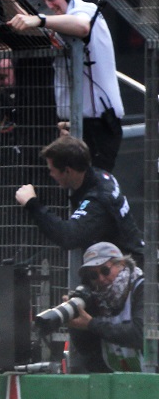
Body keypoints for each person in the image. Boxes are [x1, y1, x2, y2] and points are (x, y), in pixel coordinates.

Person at [7, 0, 125, 171]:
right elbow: (27, 26)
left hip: (98, 123)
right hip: (71, 124)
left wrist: (40, 19)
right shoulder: (57, 23)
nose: (50, 5)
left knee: (93, 181)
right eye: (43, 2)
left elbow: (82, 26)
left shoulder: (85, 9)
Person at [15, 135, 144, 261]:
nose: (50, 174)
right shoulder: (99, 176)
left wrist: (32, 203)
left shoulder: (98, 200)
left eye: (52, 170)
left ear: (67, 171)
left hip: (127, 266)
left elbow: (68, 237)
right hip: (115, 262)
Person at [61, 242, 145, 373]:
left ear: (121, 264)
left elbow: (140, 334)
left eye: (105, 271)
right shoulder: (95, 297)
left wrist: (91, 324)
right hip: (119, 378)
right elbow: (88, 350)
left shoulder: (144, 289)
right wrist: (75, 323)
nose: (100, 278)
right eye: (93, 275)